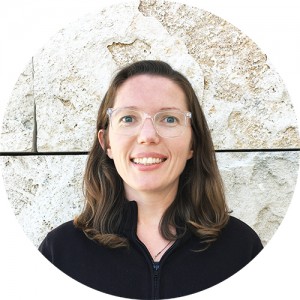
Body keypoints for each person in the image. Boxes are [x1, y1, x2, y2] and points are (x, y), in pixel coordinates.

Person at [39, 60, 263, 299]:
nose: (148, 136)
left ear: (193, 144)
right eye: (128, 118)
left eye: (169, 119)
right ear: (106, 143)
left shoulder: (241, 248)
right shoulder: (60, 253)